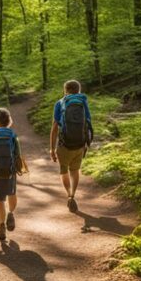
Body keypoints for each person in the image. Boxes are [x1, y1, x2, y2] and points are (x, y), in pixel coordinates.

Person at [0, 107, 27, 242]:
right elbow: (18, 155)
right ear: (9, 120)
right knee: (12, 194)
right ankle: (11, 213)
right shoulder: (12, 135)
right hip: (9, 172)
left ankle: (1, 225)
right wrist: (19, 169)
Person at [49, 80, 93, 212]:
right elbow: (88, 123)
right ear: (78, 90)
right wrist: (86, 143)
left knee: (64, 171)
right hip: (80, 144)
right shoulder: (83, 102)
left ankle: (68, 194)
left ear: (65, 90)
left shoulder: (60, 103)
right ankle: (73, 194)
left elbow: (54, 127)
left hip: (64, 144)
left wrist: (52, 148)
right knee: (75, 171)